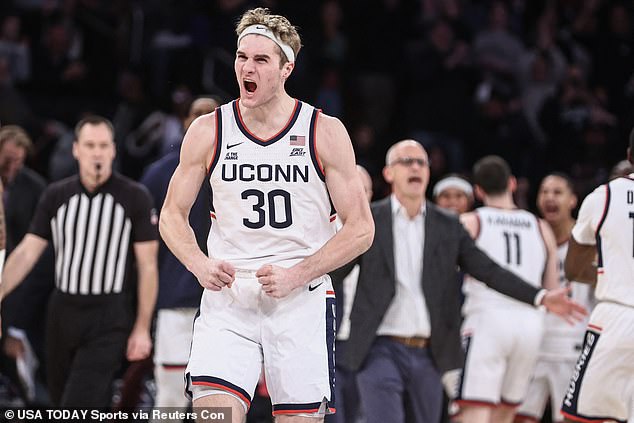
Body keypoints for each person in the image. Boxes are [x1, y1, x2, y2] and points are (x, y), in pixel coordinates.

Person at [159, 7, 374, 423]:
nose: (247, 67)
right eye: (242, 57)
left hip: (300, 299)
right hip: (230, 296)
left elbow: (362, 229)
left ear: (286, 68)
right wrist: (198, 263)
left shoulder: (323, 130)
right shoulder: (209, 129)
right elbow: (171, 214)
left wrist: (298, 273)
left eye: (260, 60)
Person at [340, 140, 586, 423]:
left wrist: (540, 296)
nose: (416, 167)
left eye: (421, 162)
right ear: (388, 173)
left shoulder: (450, 224)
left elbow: (489, 270)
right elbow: (336, 272)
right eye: (406, 162)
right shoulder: (371, 220)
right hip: (378, 347)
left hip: (432, 350)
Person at [0, 115, 159, 407]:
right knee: (66, 403)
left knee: (78, 404)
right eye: (89, 145)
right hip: (62, 312)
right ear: (76, 149)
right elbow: (26, 252)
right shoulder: (55, 195)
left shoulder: (135, 197)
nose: (96, 152)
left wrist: (141, 327)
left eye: (102, 145)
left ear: (113, 150)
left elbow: (148, 265)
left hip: (109, 315)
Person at [456, 156, 559, 423]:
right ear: (512, 184)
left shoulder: (471, 221)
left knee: (474, 411)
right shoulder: (541, 226)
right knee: (507, 413)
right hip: (530, 324)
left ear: (478, 190)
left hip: (487, 320)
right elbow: (552, 287)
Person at [140, 96, 217, 415]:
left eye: (210, 114)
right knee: (170, 403)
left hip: (223, 305)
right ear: (186, 122)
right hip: (173, 302)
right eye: (196, 114)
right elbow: (144, 248)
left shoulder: (240, 172)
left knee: (216, 404)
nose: (203, 120)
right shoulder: (158, 174)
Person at [561, 129, 634, 423]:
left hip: (616, 315)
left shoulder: (605, 195)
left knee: (579, 418)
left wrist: (612, 269)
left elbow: (574, 268)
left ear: (629, 156)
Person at [515, 173, 594, 423]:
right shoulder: (530, 236)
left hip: (572, 346)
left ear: (573, 200)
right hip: (534, 343)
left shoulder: (588, 241)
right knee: (518, 417)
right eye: (544, 192)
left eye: (557, 192)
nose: (550, 197)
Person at [0, 125, 52, 403]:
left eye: (18, 160)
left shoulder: (34, 188)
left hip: (18, 280)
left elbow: (38, 249)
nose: (12, 166)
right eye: (7, 160)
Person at [327, 165, 373, 423]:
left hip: (365, 346)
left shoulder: (379, 236)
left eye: (362, 190)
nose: (355, 197)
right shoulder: (316, 233)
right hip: (324, 343)